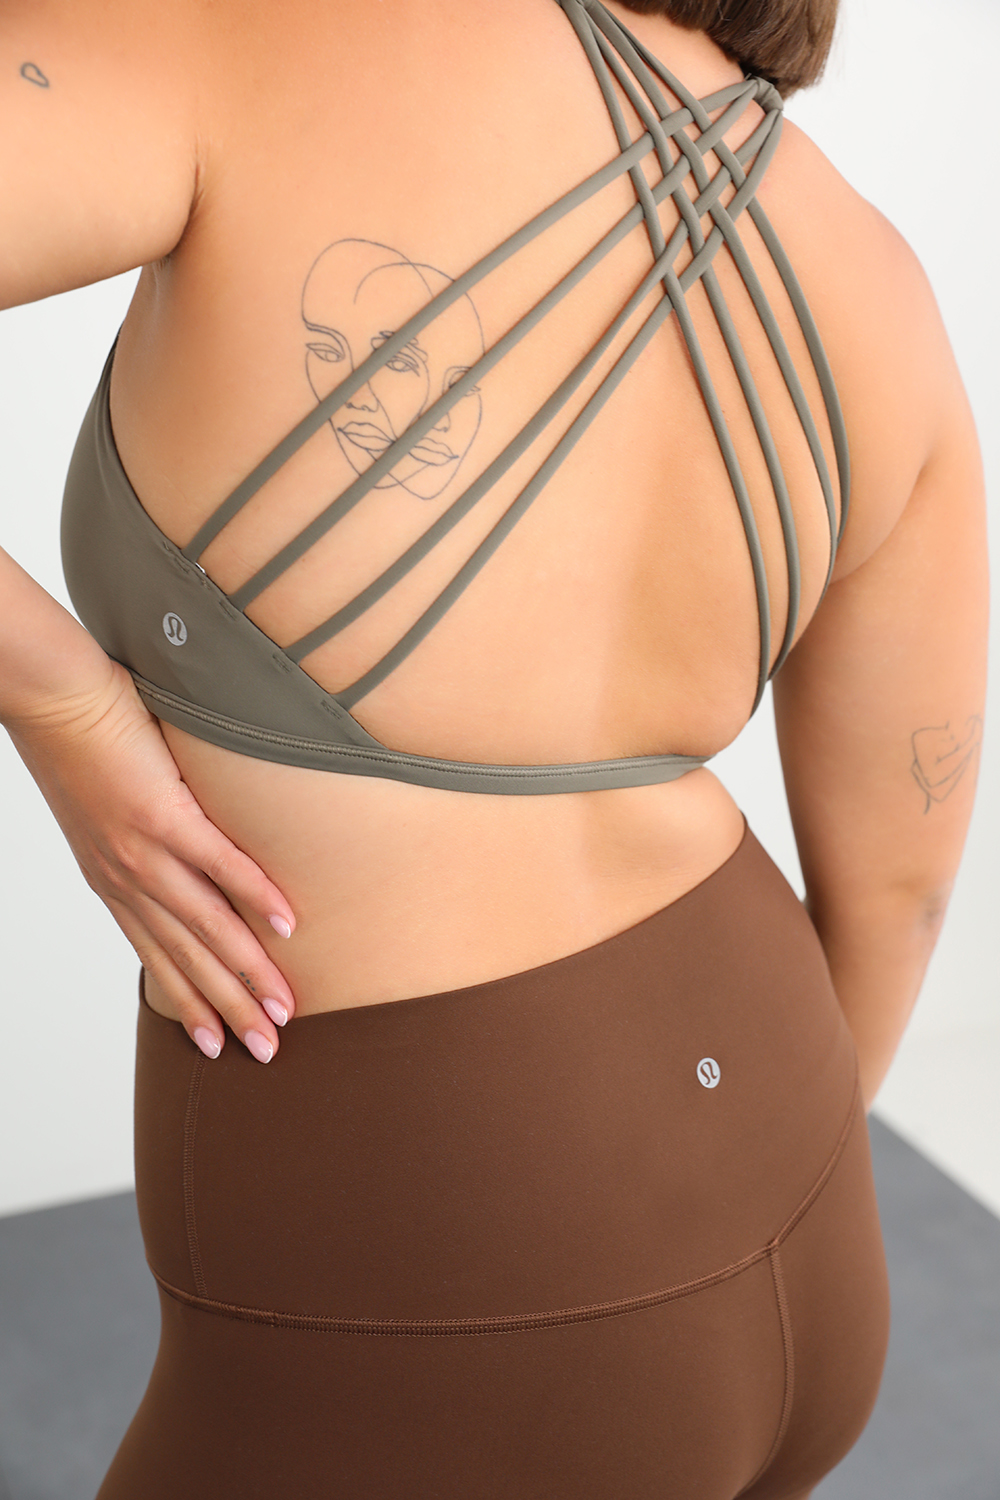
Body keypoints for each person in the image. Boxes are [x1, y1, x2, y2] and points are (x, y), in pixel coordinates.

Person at [0, 0, 987, 1495]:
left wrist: (63, 708)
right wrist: (696, 1229)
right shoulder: (877, 282)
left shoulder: (282, 38)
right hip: (796, 1198)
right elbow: (901, 894)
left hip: (458, 1275)